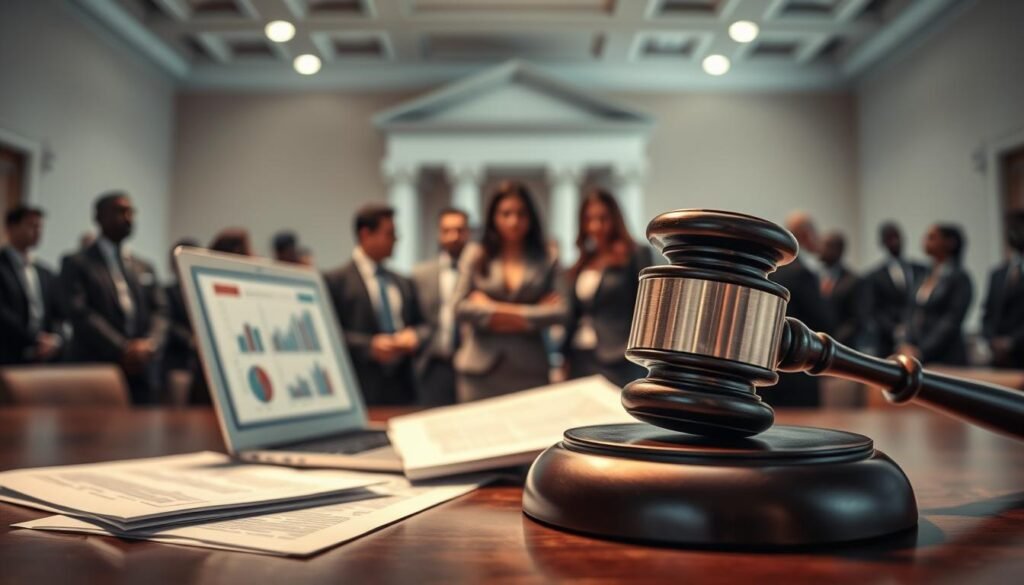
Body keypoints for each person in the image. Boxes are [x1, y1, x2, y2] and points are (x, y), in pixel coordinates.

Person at [453, 181, 567, 402]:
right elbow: (459, 307)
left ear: (531, 217)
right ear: (493, 217)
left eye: (521, 214)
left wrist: (490, 309)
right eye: (505, 214)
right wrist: (532, 313)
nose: (513, 221)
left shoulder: (547, 256)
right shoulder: (476, 253)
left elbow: (562, 311)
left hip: (529, 369)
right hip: (479, 370)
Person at [61, 192, 167, 404]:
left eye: (131, 212)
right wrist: (123, 348)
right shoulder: (77, 262)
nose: (128, 218)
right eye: (120, 212)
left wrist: (149, 344)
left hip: (143, 370)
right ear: (99, 218)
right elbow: (79, 312)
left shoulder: (143, 266)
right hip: (97, 366)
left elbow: (161, 311)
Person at [325, 204, 426, 405]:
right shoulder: (336, 281)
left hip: (403, 391)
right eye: (389, 234)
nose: (396, 240)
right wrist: (369, 346)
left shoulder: (402, 282)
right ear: (365, 234)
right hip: (360, 389)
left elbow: (423, 325)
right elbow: (329, 334)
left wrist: (415, 335)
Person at [560, 189, 651, 388]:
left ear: (615, 219)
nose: (596, 225)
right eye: (589, 219)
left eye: (603, 218)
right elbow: (574, 315)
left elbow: (647, 308)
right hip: (580, 356)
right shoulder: (583, 261)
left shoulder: (635, 255)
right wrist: (564, 356)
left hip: (619, 357)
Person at [766, 211, 834, 407]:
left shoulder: (774, 271)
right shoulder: (804, 273)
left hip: (772, 369)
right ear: (806, 235)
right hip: (799, 371)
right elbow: (824, 321)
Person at [411, 208, 472, 406]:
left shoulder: (481, 273)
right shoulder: (421, 274)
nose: (453, 236)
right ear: (439, 233)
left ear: (468, 233)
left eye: (459, 230)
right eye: (447, 230)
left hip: (472, 363)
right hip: (434, 363)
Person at [0, 206, 66, 365]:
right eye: (31, 225)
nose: (37, 231)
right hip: (8, 352)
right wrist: (35, 338)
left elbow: (58, 312)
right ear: (11, 227)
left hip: (44, 355)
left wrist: (56, 339)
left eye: (40, 226)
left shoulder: (45, 272)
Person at [900, 224, 972, 365]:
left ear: (950, 243)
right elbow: (912, 312)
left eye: (932, 237)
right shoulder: (924, 274)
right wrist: (908, 343)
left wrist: (923, 350)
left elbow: (951, 320)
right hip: (918, 355)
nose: (925, 241)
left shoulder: (960, 278)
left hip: (946, 357)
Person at [864, 222, 927, 357]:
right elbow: (874, 310)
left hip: (920, 340)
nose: (895, 241)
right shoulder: (874, 276)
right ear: (882, 243)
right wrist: (894, 329)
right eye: (890, 238)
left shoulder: (921, 270)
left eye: (897, 237)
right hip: (887, 342)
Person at [982, 211, 1024, 368]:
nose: (1015, 233)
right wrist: (991, 340)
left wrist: (1012, 342)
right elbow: (988, 312)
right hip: (1000, 359)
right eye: (1012, 229)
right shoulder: (997, 274)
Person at [163, 238, 200, 404]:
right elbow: (167, 322)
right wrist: (190, 339)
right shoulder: (167, 292)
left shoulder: (203, 290)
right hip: (177, 360)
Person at [818, 231, 869, 349]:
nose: (821, 249)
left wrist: (831, 340)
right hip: (816, 346)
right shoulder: (814, 276)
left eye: (827, 245)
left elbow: (857, 320)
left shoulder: (854, 281)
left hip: (842, 347)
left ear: (839, 250)